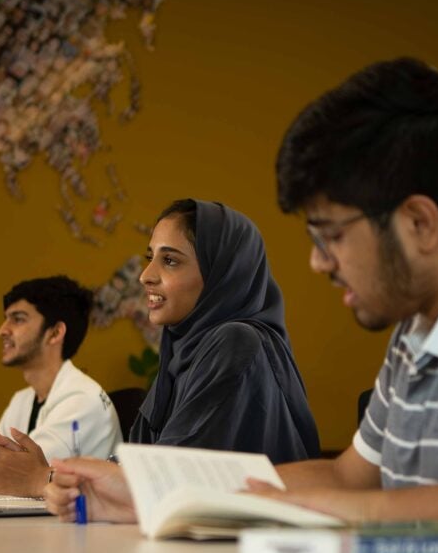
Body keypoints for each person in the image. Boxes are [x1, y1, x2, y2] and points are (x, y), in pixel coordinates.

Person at [43, 59, 438, 553]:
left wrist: (357, 518)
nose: (320, 263)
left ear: (419, 222)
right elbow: (349, 479)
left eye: (332, 236)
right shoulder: (418, 337)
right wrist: (154, 496)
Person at [127, 198, 319, 462]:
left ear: (223, 274)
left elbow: (170, 467)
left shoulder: (236, 342)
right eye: (150, 257)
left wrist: (58, 478)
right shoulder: (181, 350)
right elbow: (140, 455)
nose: (146, 275)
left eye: (170, 260)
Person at [0, 275, 122, 497]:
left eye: (18, 319)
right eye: (6, 319)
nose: (2, 330)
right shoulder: (21, 399)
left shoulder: (83, 399)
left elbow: (15, 477)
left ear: (55, 333)